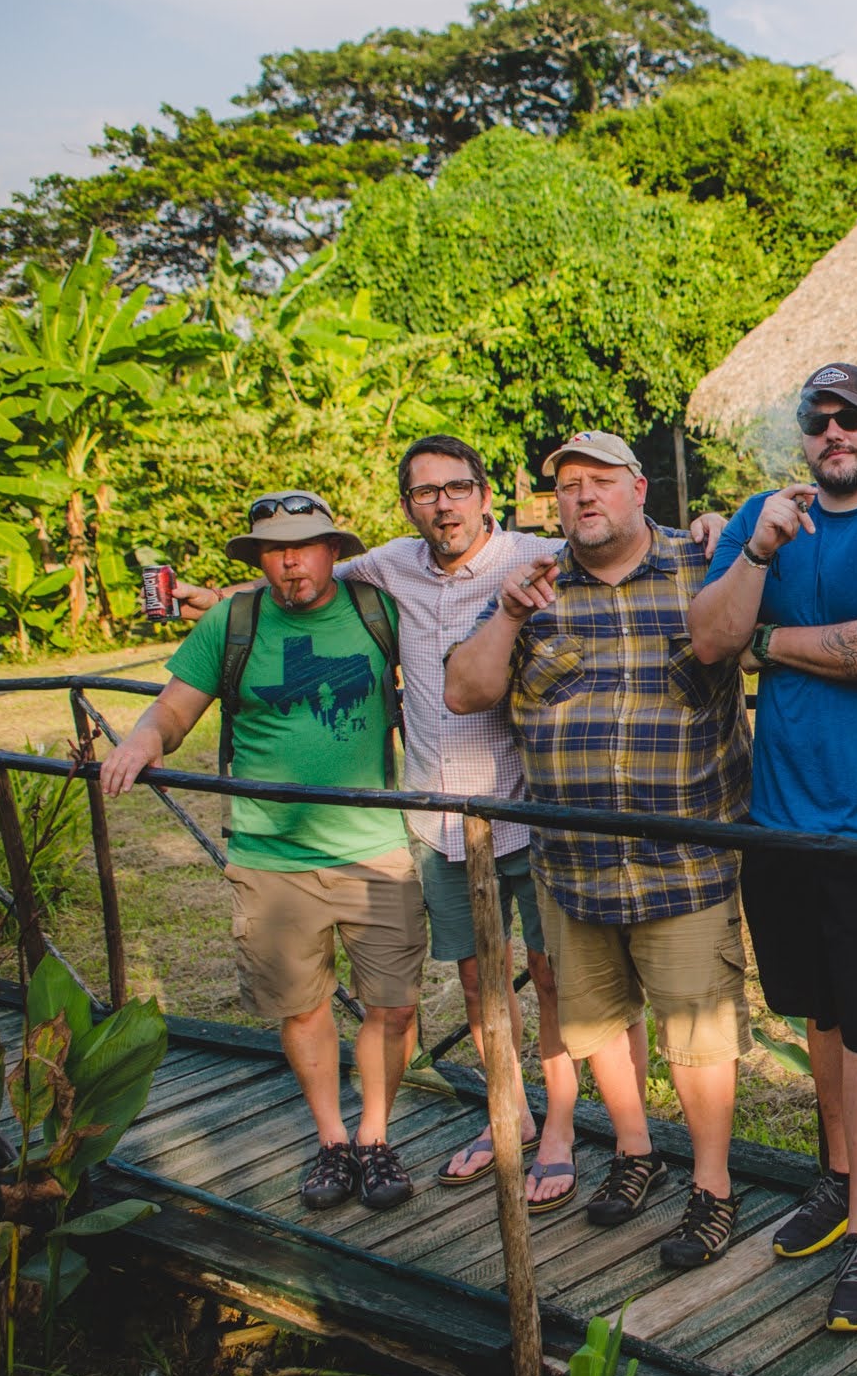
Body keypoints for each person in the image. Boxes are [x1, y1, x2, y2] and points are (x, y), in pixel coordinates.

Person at [177, 442, 724, 1215]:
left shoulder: (537, 553)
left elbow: (627, 531)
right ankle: (512, 1113)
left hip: (526, 811)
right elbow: (299, 577)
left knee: (561, 982)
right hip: (440, 824)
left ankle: (566, 1131)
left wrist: (709, 525)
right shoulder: (388, 569)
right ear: (407, 506)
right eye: (426, 492)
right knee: (480, 982)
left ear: (485, 492)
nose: (444, 505)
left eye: (458, 488)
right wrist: (220, 593)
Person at [688, 363, 857, 1333]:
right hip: (782, 815)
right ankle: (840, 1174)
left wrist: (773, 639)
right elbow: (708, 638)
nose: (835, 431)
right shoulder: (764, 520)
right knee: (814, 1013)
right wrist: (757, 552)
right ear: (802, 433)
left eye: (853, 417)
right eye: (819, 418)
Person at [445, 431, 754, 1266]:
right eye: (568, 485)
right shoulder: (533, 587)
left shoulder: (703, 568)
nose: (582, 497)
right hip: (573, 863)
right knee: (596, 1025)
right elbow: (463, 690)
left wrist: (734, 527)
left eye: (600, 482)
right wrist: (509, 612)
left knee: (699, 1037)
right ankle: (632, 1153)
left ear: (639, 488)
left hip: (685, 858)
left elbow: (770, 635)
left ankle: (713, 1189)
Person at [103, 491, 426, 1213]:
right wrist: (140, 742)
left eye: (306, 545)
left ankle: (376, 1135)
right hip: (270, 854)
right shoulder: (233, 622)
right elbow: (175, 709)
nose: (290, 561)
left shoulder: (380, 613)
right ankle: (334, 1142)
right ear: (258, 560)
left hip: (375, 848)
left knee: (395, 1005)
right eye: (274, 550)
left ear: (333, 551)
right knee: (302, 1005)